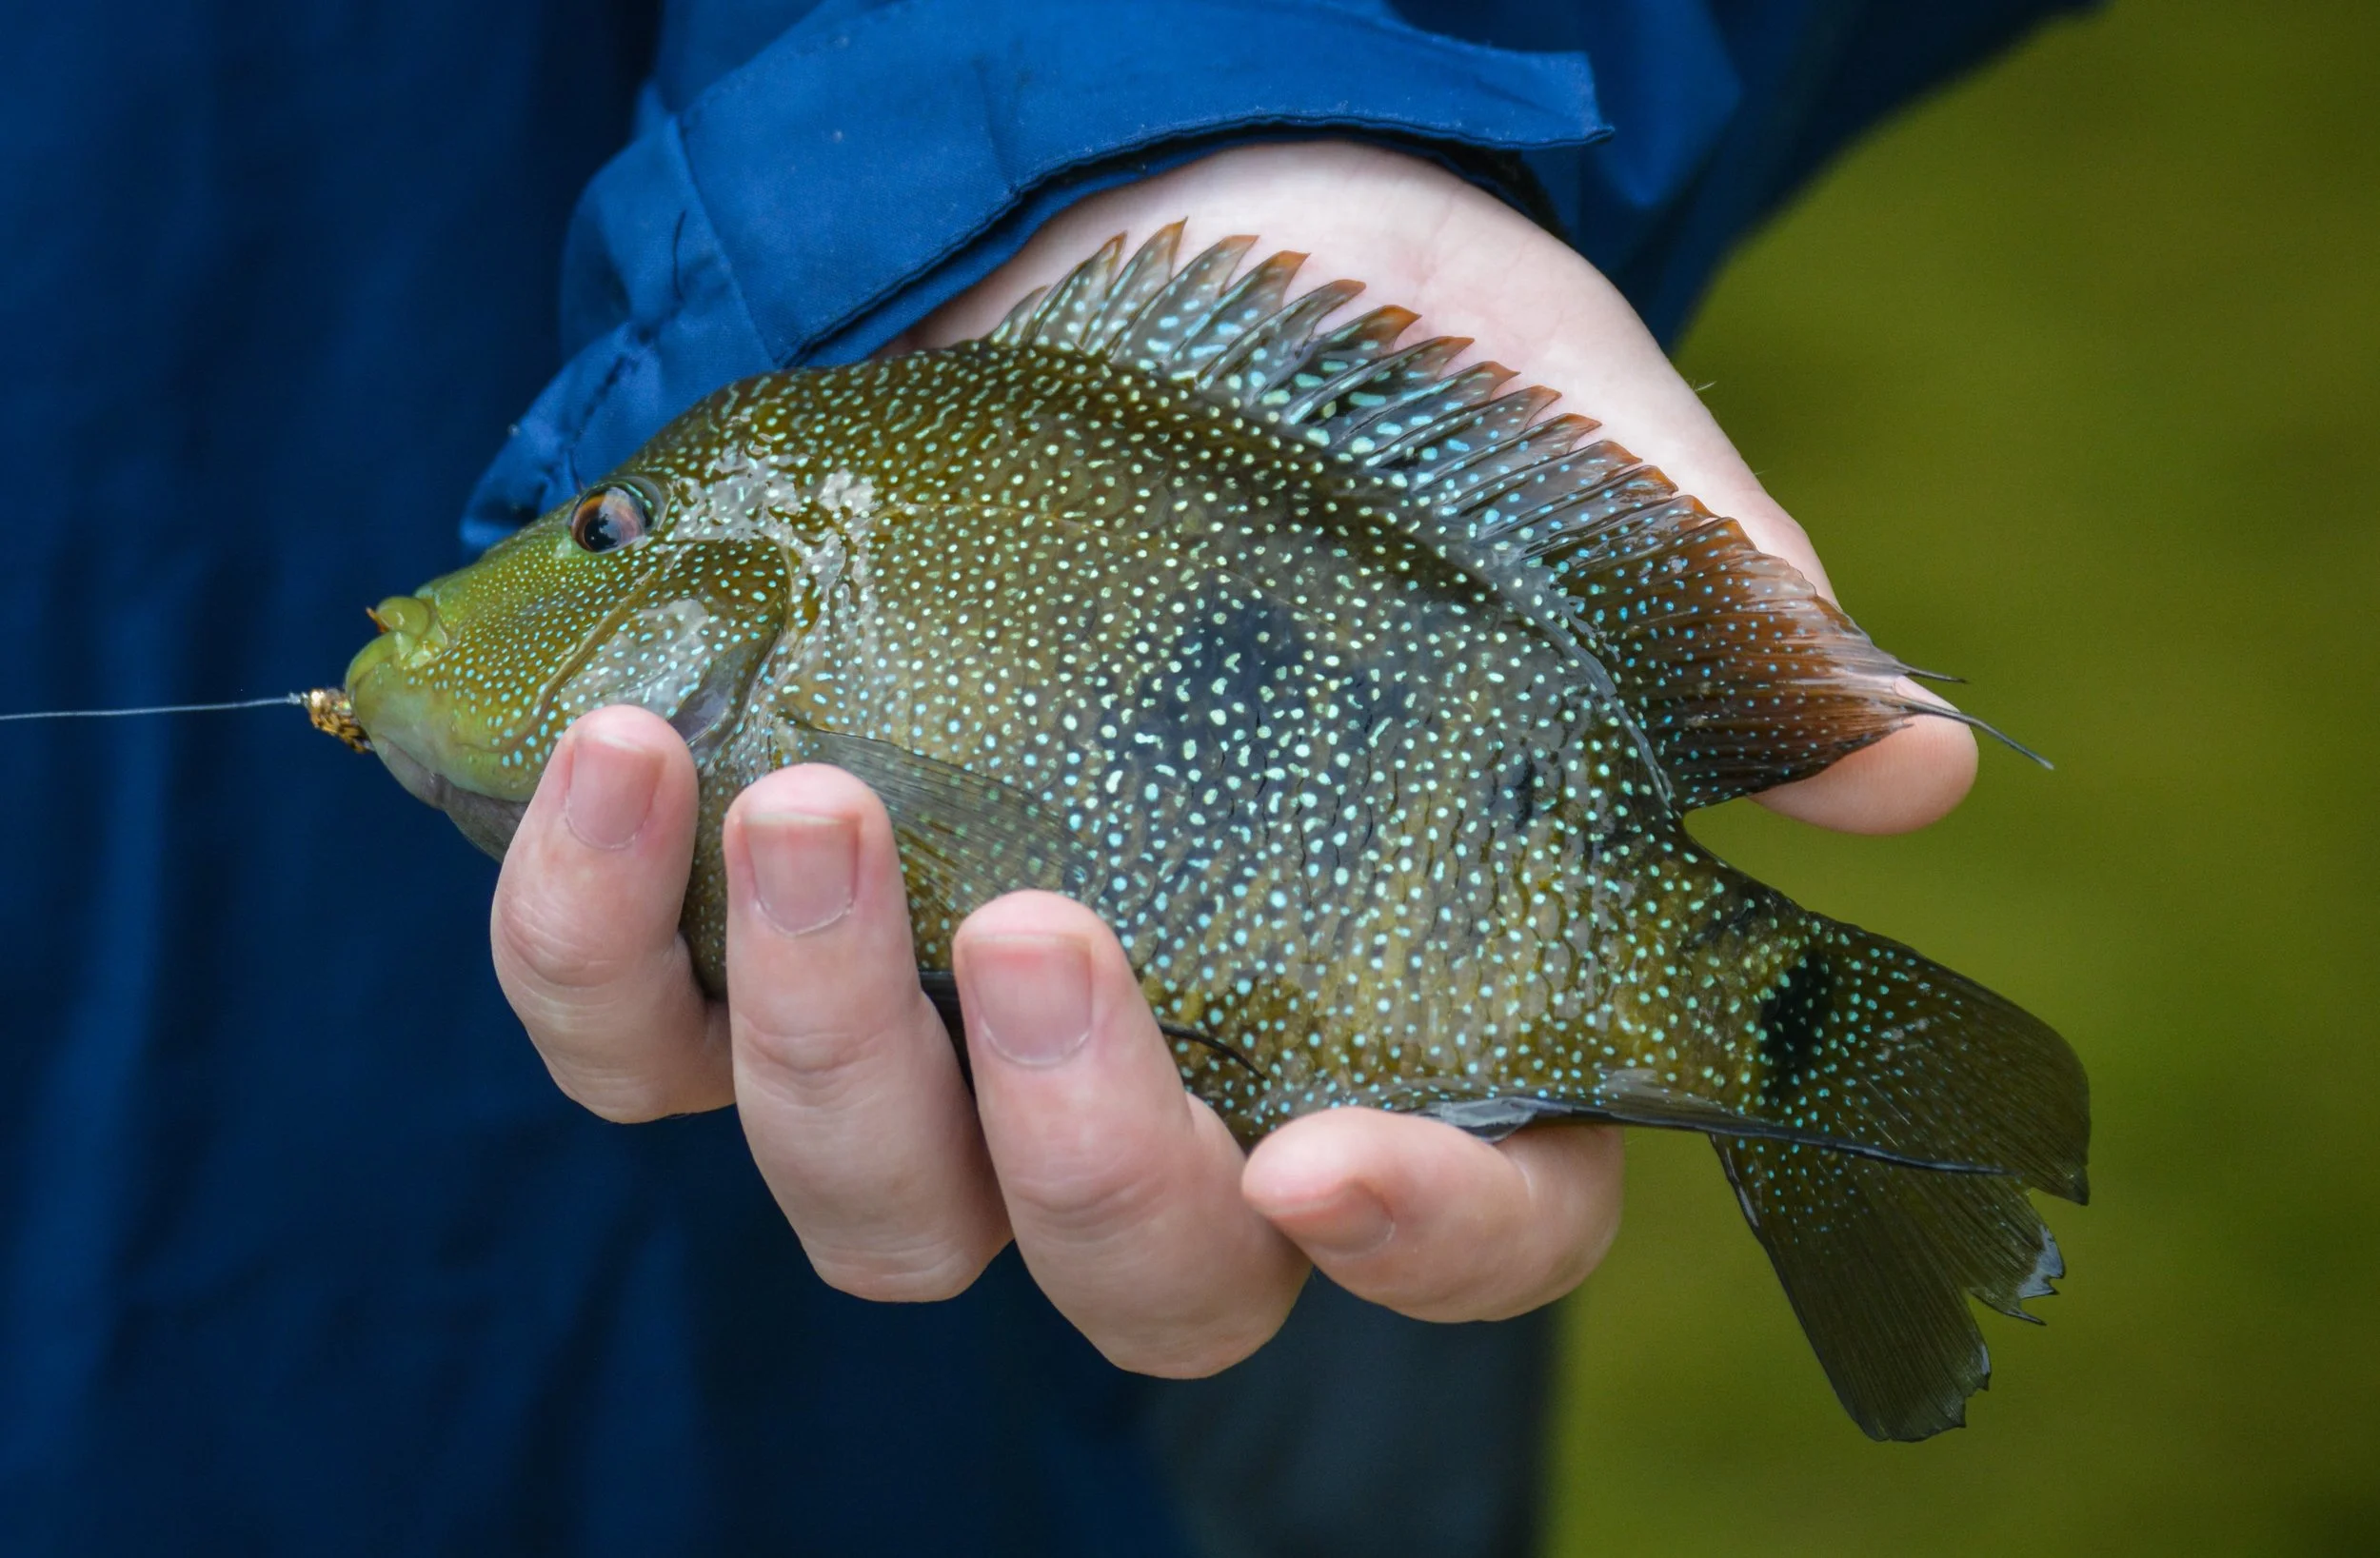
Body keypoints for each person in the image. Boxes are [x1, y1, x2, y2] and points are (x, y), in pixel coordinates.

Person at [0, 3, 2082, 1551]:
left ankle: (1771, 1036)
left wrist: (1182, 94)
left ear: (707, 593)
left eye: (604, 540)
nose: (514, 572)